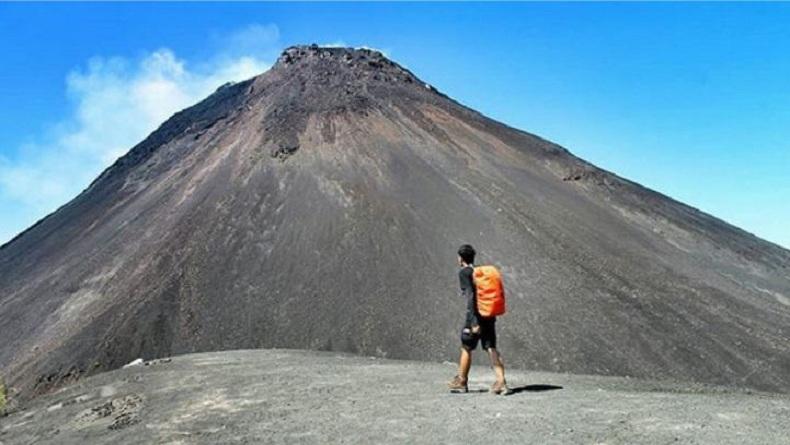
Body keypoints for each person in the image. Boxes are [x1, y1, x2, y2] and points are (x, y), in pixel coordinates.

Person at [447, 244, 510, 394]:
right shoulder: (479, 272)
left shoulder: (465, 272)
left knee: (466, 347)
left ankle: (461, 381)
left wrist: (474, 322)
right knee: (491, 347)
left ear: (460, 258)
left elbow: (470, 296)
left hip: (475, 316)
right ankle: (501, 382)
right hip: (488, 314)